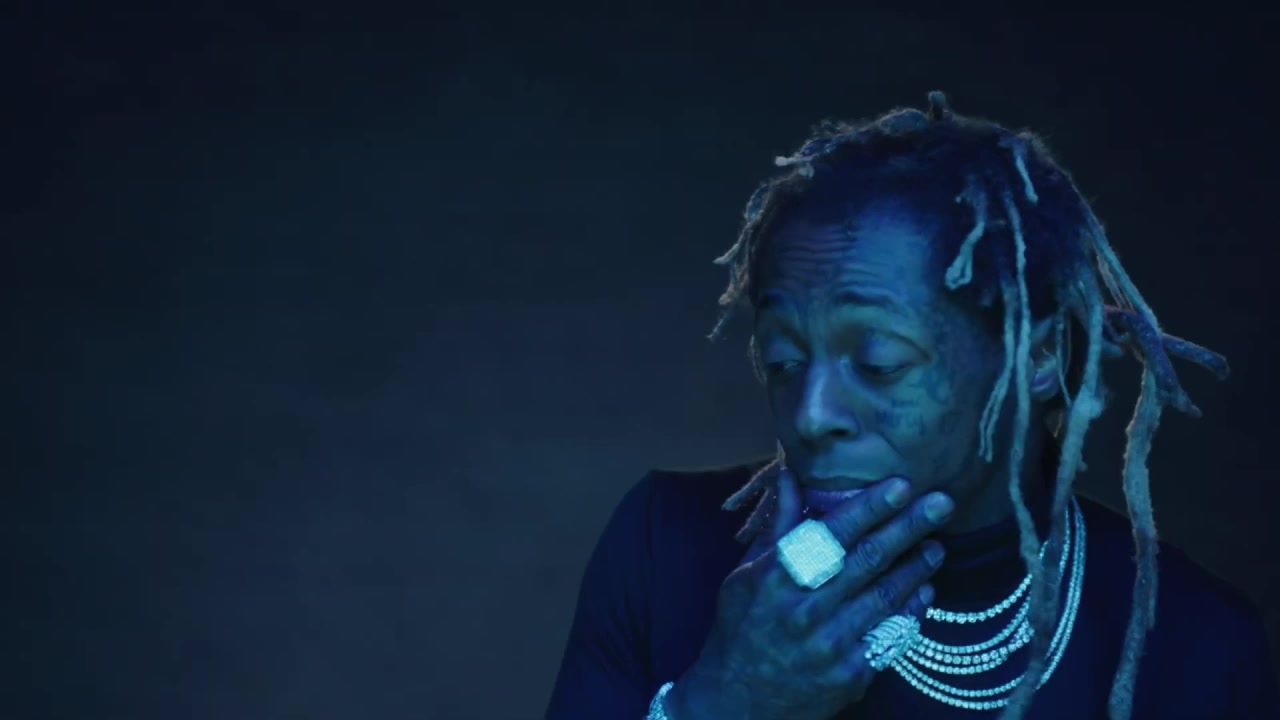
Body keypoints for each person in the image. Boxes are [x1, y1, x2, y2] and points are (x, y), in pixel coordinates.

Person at [544, 93, 1278, 719]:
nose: (811, 416)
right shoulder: (664, 548)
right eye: (784, 362)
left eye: (879, 363)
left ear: (1039, 358)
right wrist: (724, 701)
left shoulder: (1194, 647)